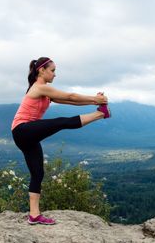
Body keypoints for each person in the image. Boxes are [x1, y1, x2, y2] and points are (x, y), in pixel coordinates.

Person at [11, 57, 110, 225]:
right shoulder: (40, 87)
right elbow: (70, 95)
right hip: (23, 130)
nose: (55, 74)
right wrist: (96, 100)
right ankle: (100, 114)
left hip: (26, 135)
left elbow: (69, 101)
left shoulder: (46, 91)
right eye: (53, 70)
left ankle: (34, 215)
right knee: (61, 122)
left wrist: (94, 101)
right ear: (41, 70)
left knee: (38, 173)